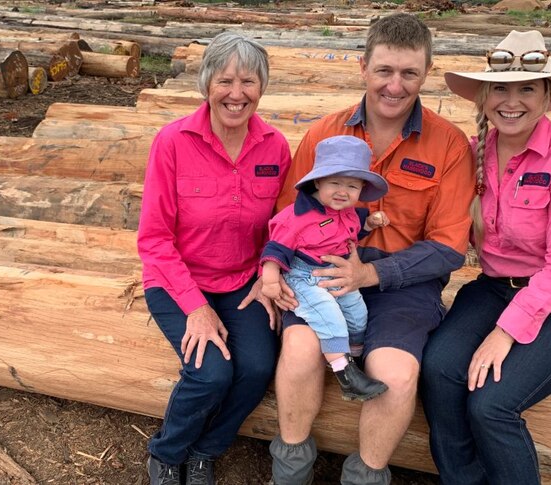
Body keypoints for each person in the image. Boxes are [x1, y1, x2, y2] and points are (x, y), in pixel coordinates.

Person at [268, 13, 475, 485]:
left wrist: (371, 276)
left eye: (409, 73)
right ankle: (291, 465)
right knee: (300, 348)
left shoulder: (449, 145)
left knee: (396, 374)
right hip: (319, 272)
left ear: (426, 74)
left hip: (405, 282)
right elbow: (286, 217)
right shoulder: (325, 133)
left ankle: (364, 476)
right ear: (363, 67)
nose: (395, 86)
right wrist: (273, 272)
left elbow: (447, 247)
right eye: (384, 71)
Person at [420, 30, 551, 485]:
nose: (512, 101)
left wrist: (505, 333)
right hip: (494, 287)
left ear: (547, 95)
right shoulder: (471, 155)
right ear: (485, 95)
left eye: (527, 88)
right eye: (501, 88)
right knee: (440, 370)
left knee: (492, 405)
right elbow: (437, 221)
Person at [137, 32, 292, 485]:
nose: (237, 94)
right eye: (226, 80)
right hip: (177, 280)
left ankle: (207, 449)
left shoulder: (275, 147)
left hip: (242, 282)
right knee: (209, 374)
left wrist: (268, 276)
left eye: (249, 81)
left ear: (261, 87)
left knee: (259, 367)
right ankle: (167, 452)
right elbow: (154, 238)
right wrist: (196, 308)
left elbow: (280, 227)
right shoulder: (173, 141)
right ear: (207, 84)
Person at [260, 135, 391, 402]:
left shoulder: (349, 213)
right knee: (329, 318)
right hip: (303, 277)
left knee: (357, 314)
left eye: (352, 186)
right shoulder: (295, 218)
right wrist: (271, 281)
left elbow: (350, 233)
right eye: (335, 183)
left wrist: (370, 224)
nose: (343, 191)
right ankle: (346, 377)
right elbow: (275, 250)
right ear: (317, 182)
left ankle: (352, 359)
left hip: (335, 273)